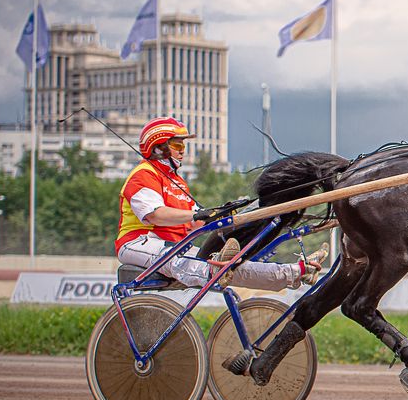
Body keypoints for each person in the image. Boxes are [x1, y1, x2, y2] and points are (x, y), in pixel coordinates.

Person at [115, 116, 322, 290]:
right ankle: (215, 272)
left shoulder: (177, 182)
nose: (183, 150)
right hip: (137, 243)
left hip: (175, 247)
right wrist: (196, 215)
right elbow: (155, 215)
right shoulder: (143, 174)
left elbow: (196, 223)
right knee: (198, 264)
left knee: (232, 265)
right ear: (158, 147)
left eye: (183, 145)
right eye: (177, 144)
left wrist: (221, 214)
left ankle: (296, 272)